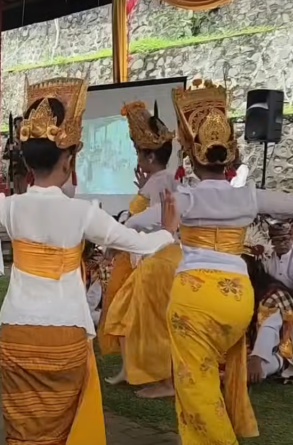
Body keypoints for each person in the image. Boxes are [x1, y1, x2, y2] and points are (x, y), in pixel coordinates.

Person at [0, 77, 179, 444]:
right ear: (68, 158)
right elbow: (141, 245)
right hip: (65, 334)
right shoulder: (81, 213)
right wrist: (168, 230)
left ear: (28, 162)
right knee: (63, 432)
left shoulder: (9, 208)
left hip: (17, 332)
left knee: (24, 432)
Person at [124, 78, 293, 444]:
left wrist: (161, 211)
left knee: (196, 381)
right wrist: (259, 201)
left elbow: (133, 224)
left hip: (193, 299)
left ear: (192, 157)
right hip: (237, 301)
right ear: (229, 156)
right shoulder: (247, 198)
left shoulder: (185, 199)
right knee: (215, 367)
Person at [98, 100, 181, 399]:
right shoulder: (160, 180)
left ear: (149, 154)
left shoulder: (163, 183)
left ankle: (166, 380)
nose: (136, 158)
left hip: (159, 259)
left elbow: (147, 220)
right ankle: (133, 368)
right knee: (128, 314)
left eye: (137, 152)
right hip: (150, 257)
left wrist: (116, 238)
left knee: (148, 319)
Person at [248, 275, 293, 384]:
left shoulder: (274, 296)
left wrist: (256, 358)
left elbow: (269, 328)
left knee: (245, 373)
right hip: (251, 347)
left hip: (283, 351)